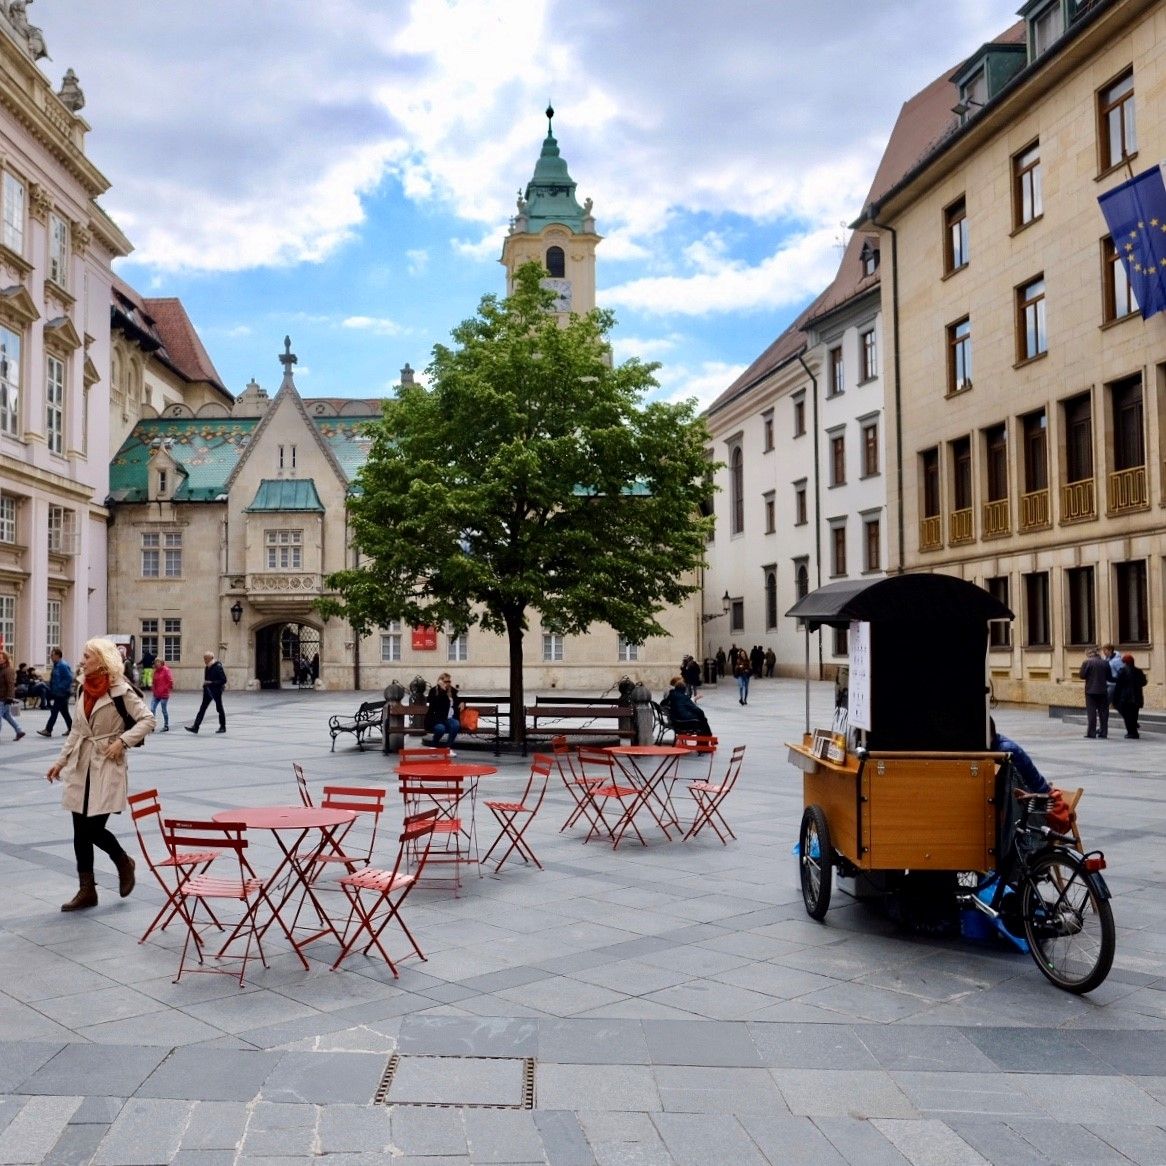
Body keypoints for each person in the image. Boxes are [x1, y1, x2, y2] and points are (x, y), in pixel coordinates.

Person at [45, 637, 154, 911]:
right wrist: (60, 761)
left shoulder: (120, 690)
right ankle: (87, 890)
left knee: (93, 828)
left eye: (87, 656)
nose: (82, 661)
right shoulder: (82, 688)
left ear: (102, 661)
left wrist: (123, 741)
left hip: (107, 762)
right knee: (79, 831)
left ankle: (123, 861)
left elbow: (148, 720)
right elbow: (77, 730)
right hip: (82, 764)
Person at [990, 718, 1050, 794]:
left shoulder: (1004, 750)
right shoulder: (996, 742)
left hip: (1034, 796)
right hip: (1027, 791)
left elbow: (994, 776)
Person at [185, 651, 227, 734]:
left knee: (219, 709)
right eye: (204, 658)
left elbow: (223, 680)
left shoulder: (218, 667)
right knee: (202, 708)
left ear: (211, 658)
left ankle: (223, 727)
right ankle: (195, 727)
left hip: (216, 691)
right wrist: (205, 685)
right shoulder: (207, 667)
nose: (204, 660)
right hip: (208, 691)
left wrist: (211, 683)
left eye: (206, 658)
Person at [37, 648, 74, 737]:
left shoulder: (62, 665)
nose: (51, 657)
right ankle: (72, 729)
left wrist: (60, 687)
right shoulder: (57, 665)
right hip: (59, 692)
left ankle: (48, 730)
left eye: (52, 655)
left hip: (62, 693)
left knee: (54, 711)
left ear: (57, 655)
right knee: (65, 712)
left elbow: (69, 678)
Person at [1112, 652, 1147, 740]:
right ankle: (1134, 732)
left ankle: (1131, 733)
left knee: (1128, 716)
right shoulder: (1139, 671)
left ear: (1125, 662)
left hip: (1126, 697)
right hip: (1137, 697)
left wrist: (1115, 698)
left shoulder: (1122, 671)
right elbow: (1144, 682)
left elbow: (1118, 686)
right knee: (1134, 715)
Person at [1079, 647, 1111, 739]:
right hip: (1103, 690)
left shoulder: (1087, 662)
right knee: (1103, 713)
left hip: (1090, 691)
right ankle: (1103, 733)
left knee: (1091, 713)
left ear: (1088, 654)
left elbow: (1082, 675)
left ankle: (1091, 733)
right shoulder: (1105, 662)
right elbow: (1109, 677)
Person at [424, 671, 460, 748]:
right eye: (446, 681)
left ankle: (448, 747)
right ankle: (434, 745)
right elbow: (436, 704)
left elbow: (456, 702)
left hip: (449, 718)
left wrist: (461, 703)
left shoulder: (452, 691)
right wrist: (442, 690)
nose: (448, 683)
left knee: (456, 724)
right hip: (436, 719)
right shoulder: (434, 691)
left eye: (449, 681)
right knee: (440, 729)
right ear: (440, 681)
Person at [0, 649, 25, 740]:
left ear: (5, 659)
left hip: (3, 698)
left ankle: (19, 730)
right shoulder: (1, 669)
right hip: (2, 697)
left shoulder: (8, 670)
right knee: (7, 715)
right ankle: (19, 731)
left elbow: (11, 685)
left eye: (0, 658)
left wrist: (10, 697)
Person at [150, 658, 173, 731]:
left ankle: (166, 725)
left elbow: (170, 681)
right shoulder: (155, 671)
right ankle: (152, 725)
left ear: (161, 663)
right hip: (156, 694)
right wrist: (153, 690)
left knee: (164, 710)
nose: (156, 664)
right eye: (155, 663)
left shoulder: (166, 670)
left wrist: (165, 689)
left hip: (164, 694)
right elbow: (154, 682)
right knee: (152, 709)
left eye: (158, 662)